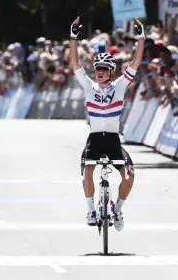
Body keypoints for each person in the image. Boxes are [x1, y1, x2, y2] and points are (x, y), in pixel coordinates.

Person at [69, 16, 145, 231]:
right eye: (97, 69)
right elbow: (75, 64)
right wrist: (73, 38)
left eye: (104, 69)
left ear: (111, 71)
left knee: (129, 176)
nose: (99, 72)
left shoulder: (120, 86)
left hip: (112, 140)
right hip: (94, 139)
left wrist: (141, 37)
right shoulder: (89, 86)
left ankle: (117, 209)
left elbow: (136, 63)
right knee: (88, 171)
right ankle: (91, 210)